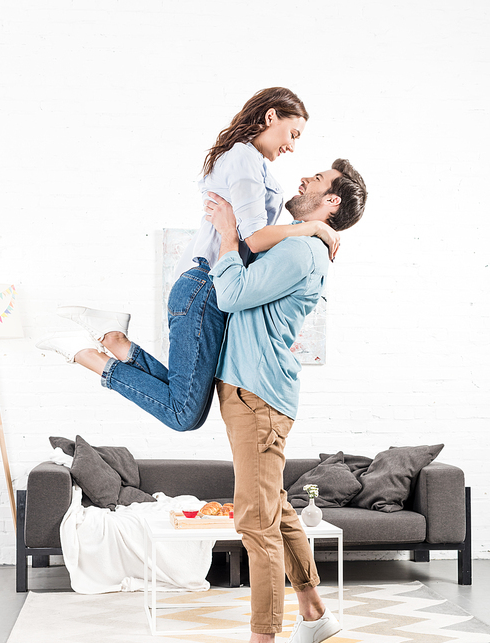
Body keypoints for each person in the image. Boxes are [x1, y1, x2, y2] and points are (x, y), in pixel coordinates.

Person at [36, 88, 339, 431]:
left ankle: (115, 341)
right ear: (271, 117)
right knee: (184, 414)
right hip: (205, 287)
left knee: (184, 402)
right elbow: (253, 238)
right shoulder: (244, 158)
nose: (292, 146)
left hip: (205, 288)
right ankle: (86, 354)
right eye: (293, 134)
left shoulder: (252, 162)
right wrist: (312, 226)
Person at [193, 159, 367, 643]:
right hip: (253, 391)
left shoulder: (301, 249)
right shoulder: (302, 240)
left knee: (256, 520)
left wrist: (226, 234)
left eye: (316, 180)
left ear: (332, 201)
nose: (304, 180)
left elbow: (232, 294)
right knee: (277, 509)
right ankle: (314, 614)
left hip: (259, 397)